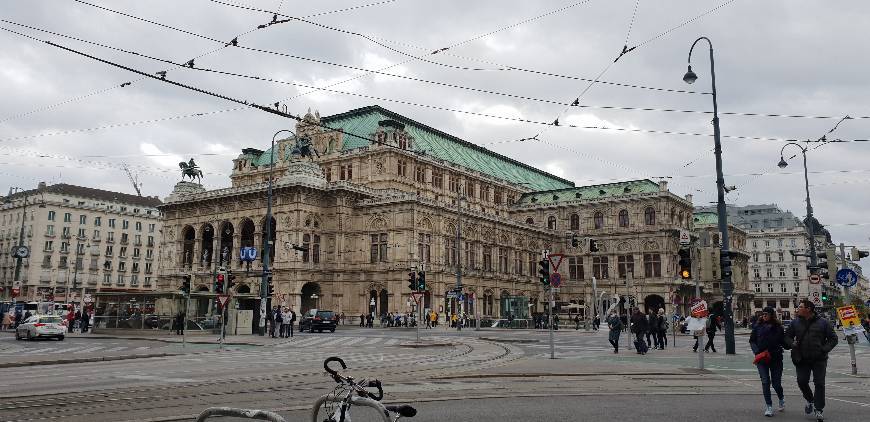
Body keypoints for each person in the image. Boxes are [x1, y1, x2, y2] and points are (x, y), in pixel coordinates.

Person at [784, 299, 837, 421]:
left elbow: (833, 339)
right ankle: (810, 399)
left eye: (800, 307)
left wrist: (824, 349)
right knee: (802, 381)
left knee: (819, 383)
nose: (798, 309)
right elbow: (786, 337)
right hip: (801, 358)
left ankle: (818, 409)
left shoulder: (823, 323)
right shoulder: (795, 323)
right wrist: (792, 343)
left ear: (808, 309)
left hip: (819, 359)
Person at [750, 307, 787, 417]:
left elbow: (783, 341)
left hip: (775, 358)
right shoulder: (757, 326)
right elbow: (752, 340)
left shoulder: (778, 327)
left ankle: (781, 398)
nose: (764, 316)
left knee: (776, 384)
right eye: (763, 314)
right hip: (761, 358)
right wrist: (757, 352)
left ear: (772, 315)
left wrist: (792, 345)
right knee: (765, 382)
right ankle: (769, 406)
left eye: (766, 314)